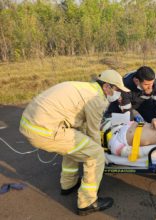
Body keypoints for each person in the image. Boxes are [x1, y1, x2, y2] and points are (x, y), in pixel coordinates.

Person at [19, 70, 130, 216]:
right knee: (94, 154)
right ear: (107, 87)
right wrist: (101, 155)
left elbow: (82, 126)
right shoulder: (97, 99)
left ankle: (68, 184)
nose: (119, 94)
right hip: (44, 130)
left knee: (76, 144)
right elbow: (93, 133)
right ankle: (87, 202)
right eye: (117, 90)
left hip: (30, 124)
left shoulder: (85, 88)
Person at [105, 66, 156, 130]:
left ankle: (139, 120)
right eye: (146, 84)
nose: (150, 87)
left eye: (151, 83)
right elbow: (127, 114)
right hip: (123, 102)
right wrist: (134, 125)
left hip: (143, 102)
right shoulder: (124, 86)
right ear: (136, 81)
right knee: (116, 124)